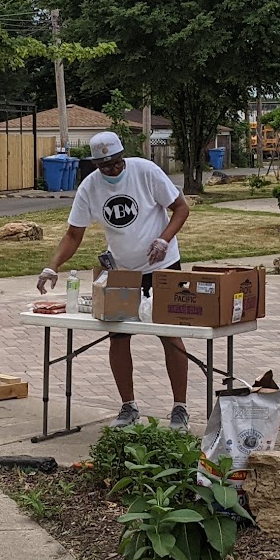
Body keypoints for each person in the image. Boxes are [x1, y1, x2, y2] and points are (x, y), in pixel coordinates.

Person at [36, 130, 193, 429]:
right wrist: (51, 266)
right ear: (95, 164)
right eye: (104, 165)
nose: (112, 169)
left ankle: (180, 408)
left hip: (164, 266)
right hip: (122, 271)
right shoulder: (90, 188)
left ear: (123, 156)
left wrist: (163, 239)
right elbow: (73, 234)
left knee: (169, 335)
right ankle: (128, 407)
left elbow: (181, 208)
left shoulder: (146, 171)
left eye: (116, 163)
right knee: (118, 336)